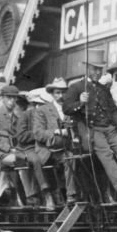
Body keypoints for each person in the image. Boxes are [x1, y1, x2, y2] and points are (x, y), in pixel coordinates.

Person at [62, 49, 117, 199]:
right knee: (105, 152)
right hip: (90, 130)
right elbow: (66, 108)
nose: (97, 72)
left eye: (99, 69)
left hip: (109, 127)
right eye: (94, 69)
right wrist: (80, 102)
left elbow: (113, 109)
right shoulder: (76, 87)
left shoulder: (104, 89)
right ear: (87, 68)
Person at [0, 84, 40, 206]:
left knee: (33, 159)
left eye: (14, 98)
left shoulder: (17, 117)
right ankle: (30, 196)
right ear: (2, 98)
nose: (11, 101)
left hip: (15, 151)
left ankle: (32, 195)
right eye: (8, 97)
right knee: (22, 161)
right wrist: (10, 149)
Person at [37, 77, 77, 205]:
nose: (61, 96)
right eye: (57, 93)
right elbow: (37, 133)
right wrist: (56, 132)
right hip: (50, 149)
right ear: (52, 94)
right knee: (70, 158)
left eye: (63, 92)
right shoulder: (43, 110)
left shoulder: (71, 109)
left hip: (69, 146)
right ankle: (71, 195)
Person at [22, 88, 60, 208]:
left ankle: (60, 191)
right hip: (29, 147)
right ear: (34, 104)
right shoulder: (26, 115)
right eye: (39, 104)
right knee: (38, 160)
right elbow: (21, 136)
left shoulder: (49, 114)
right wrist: (39, 134)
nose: (42, 107)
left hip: (47, 145)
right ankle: (47, 193)